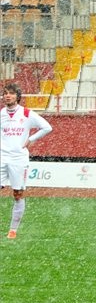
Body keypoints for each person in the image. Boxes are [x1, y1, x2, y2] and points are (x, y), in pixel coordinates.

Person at [1, 82, 52, 239]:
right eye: (5, 93)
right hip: (2, 157)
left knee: (17, 194)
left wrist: (31, 139)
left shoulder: (26, 113)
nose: (7, 96)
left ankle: (13, 230)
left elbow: (47, 127)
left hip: (18, 159)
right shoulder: (1, 113)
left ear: (17, 96)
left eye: (11, 93)